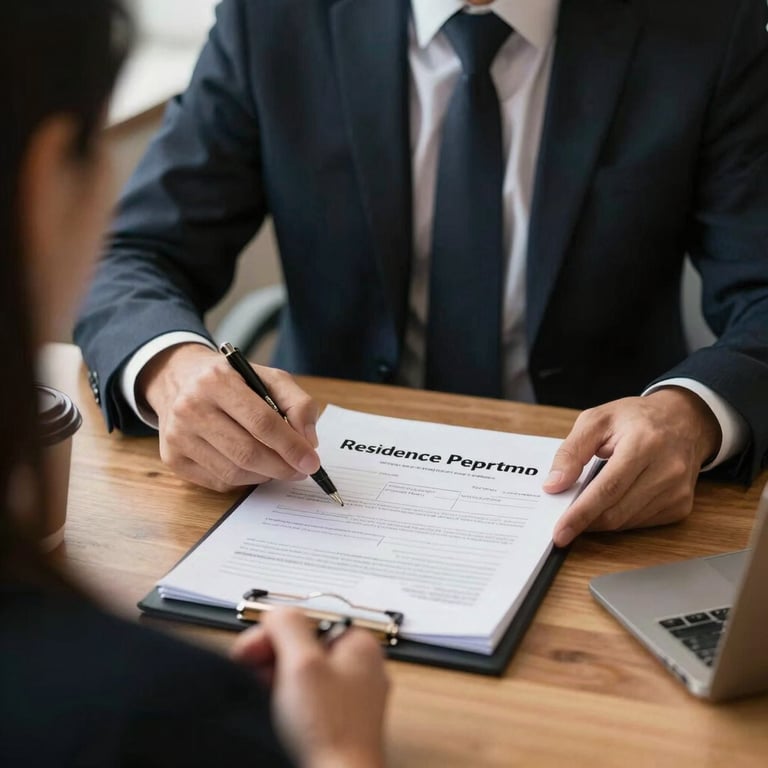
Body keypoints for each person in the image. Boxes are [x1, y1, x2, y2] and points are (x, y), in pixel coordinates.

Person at [75, 0, 768, 547]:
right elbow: (135, 254)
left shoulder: (710, 21)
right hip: (323, 488)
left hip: (601, 497)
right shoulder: (273, 16)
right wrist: (170, 367)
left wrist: (692, 417)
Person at [0, 3, 389, 767]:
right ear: (47, 184)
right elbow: (137, 248)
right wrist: (342, 756)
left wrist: (695, 408)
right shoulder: (165, 713)